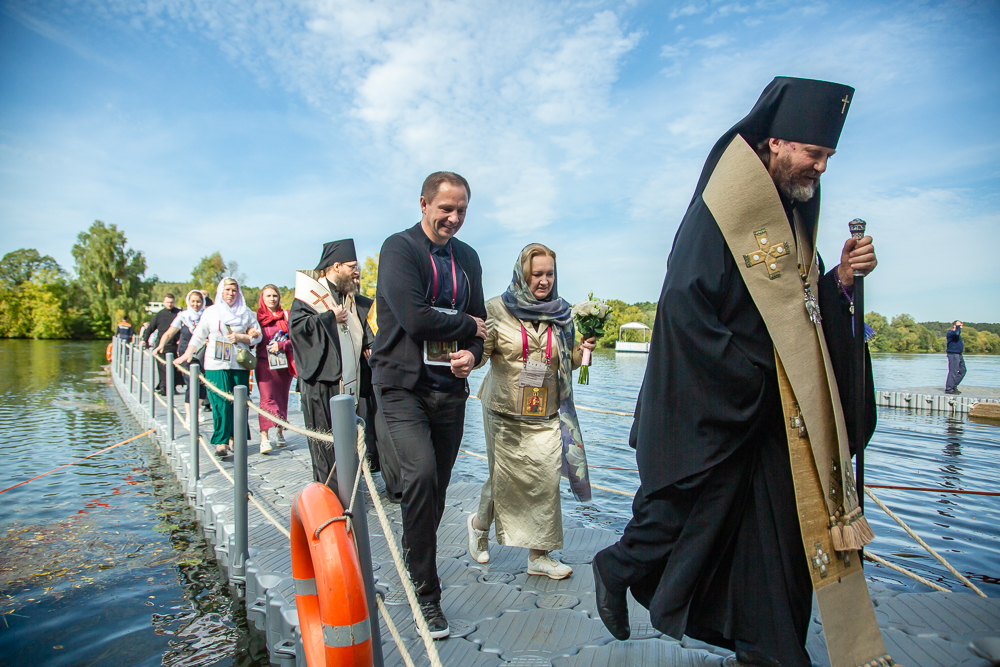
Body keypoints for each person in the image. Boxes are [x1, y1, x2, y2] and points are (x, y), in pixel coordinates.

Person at [592, 77, 883, 667]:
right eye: (813, 153)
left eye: (828, 158)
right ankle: (619, 567)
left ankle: (763, 645)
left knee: (775, 551)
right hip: (729, 402)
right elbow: (684, 310)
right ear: (776, 143)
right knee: (692, 509)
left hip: (778, 422)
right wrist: (755, 379)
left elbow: (800, 311)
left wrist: (840, 284)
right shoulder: (722, 211)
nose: (821, 168)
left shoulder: (794, 219)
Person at [369, 171, 487, 639]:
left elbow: (480, 330)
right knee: (418, 476)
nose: (454, 219)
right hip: (401, 385)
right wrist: (468, 326)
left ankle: (414, 549)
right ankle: (427, 592)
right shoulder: (399, 248)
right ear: (423, 204)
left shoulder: (469, 258)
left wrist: (471, 356)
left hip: (448, 390)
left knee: (434, 490)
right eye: (446, 209)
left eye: (461, 211)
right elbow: (415, 318)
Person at [467, 243, 595, 580]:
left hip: (546, 409)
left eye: (549, 273)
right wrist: (467, 354)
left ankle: (539, 555)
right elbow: (482, 354)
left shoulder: (564, 313)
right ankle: (479, 525)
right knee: (504, 477)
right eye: (536, 273)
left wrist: (584, 352)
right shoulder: (496, 308)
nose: (544, 281)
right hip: (503, 408)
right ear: (523, 273)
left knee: (546, 477)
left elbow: (566, 363)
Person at [290, 239, 374, 487]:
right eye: (352, 266)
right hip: (321, 382)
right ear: (336, 266)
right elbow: (298, 330)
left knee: (349, 438)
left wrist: (368, 343)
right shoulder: (309, 296)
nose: (356, 271)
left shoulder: (348, 296)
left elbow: (362, 325)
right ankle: (327, 490)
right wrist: (329, 317)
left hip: (348, 381)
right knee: (324, 440)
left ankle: (349, 486)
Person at [175, 278, 261, 457]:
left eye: (234, 290)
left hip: (239, 363)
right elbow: (199, 336)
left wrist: (242, 336)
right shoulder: (211, 312)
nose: (230, 293)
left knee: (239, 403)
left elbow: (257, 336)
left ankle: (235, 438)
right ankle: (221, 441)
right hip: (215, 363)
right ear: (221, 291)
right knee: (220, 402)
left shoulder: (245, 313)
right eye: (227, 290)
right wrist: (187, 354)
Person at [153, 290, 209, 427]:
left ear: (202, 302)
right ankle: (190, 415)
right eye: (193, 301)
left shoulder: (207, 316)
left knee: (202, 383)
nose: (196, 304)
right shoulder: (183, 317)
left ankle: (198, 409)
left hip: (204, 353)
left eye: (199, 301)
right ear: (188, 302)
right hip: (186, 354)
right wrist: (160, 346)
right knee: (190, 383)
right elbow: (169, 333)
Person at [255, 285, 296, 453]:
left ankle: (280, 431)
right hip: (264, 364)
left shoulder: (286, 316)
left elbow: (296, 339)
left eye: (275, 296)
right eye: (268, 296)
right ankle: (264, 437)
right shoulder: (256, 318)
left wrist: (282, 345)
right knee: (266, 399)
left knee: (281, 398)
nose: (272, 299)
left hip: (282, 364)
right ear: (262, 298)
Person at [143, 294, 182, 395]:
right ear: (164, 302)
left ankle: (173, 388)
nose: (169, 304)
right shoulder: (159, 315)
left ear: (174, 302)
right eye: (168, 302)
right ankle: (164, 388)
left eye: (171, 302)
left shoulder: (179, 314)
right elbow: (150, 328)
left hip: (174, 345)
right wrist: (145, 340)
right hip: (162, 345)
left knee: (175, 369)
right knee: (162, 368)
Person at [945, 321, 966, 394]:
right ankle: (949, 389)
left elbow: (957, 334)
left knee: (963, 370)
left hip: (958, 354)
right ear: (955, 325)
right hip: (953, 354)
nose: (961, 325)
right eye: (960, 324)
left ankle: (953, 385)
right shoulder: (951, 333)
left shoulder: (956, 333)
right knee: (953, 371)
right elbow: (956, 333)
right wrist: (958, 326)